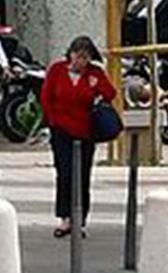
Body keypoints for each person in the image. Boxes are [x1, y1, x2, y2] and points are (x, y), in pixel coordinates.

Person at [42, 36, 117, 238]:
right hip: (61, 130)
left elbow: (111, 93)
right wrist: (52, 121)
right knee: (64, 173)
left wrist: (96, 84)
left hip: (85, 131)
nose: (79, 62)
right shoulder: (57, 70)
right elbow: (47, 97)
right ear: (70, 54)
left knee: (83, 175)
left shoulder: (94, 73)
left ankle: (80, 220)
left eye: (85, 58)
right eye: (77, 56)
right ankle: (65, 217)